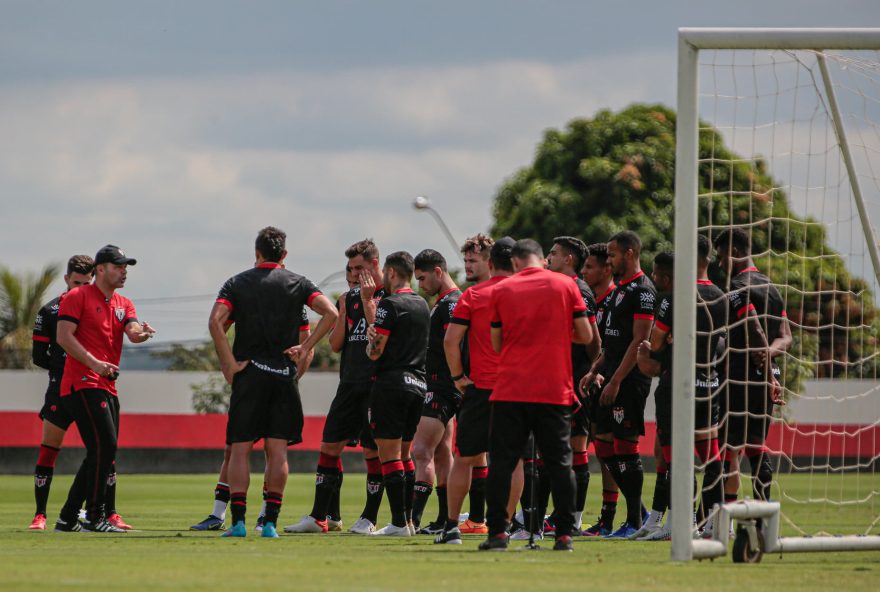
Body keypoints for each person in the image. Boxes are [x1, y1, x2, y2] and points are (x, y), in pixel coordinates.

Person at [211, 227, 337, 538]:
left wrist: (228, 362)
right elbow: (331, 312)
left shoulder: (237, 282)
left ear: (257, 254)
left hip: (249, 375)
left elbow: (215, 321)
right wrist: (305, 349)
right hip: (283, 375)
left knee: (240, 450)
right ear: (284, 255)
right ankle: (269, 523)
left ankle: (238, 523)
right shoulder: (298, 282)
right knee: (277, 451)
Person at [481, 238, 594, 552]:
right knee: (560, 463)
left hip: (511, 389)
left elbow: (497, 343)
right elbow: (585, 335)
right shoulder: (565, 286)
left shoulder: (502, 290)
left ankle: (498, 534)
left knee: (502, 464)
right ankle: (564, 536)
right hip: (553, 390)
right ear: (540, 260)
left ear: (516, 262)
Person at [285, 239, 387, 535]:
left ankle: (369, 518)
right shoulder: (349, 298)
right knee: (329, 446)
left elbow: (377, 338)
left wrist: (368, 301)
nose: (354, 274)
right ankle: (321, 516)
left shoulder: (387, 297)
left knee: (372, 452)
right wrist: (343, 308)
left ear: (375, 265)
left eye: (360, 268)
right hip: (349, 383)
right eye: (350, 269)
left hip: (374, 385)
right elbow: (336, 343)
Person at [54, 245, 155, 533]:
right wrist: (93, 362)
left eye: (126, 266)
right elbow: (63, 336)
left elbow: (132, 331)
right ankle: (95, 517)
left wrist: (142, 333)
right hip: (82, 383)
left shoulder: (124, 302)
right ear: (100, 269)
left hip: (107, 386)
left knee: (101, 451)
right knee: (104, 446)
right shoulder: (77, 296)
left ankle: (68, 517)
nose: (124, 271)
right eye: (118, 266)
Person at [635, 239, 728, 540]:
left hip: (677, 384)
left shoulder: (673, 297)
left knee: (675, 457)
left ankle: (682, 523)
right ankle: (713, 523)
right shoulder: (721, 296)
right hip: (709, 383)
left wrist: (660, 343)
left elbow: (657, 342)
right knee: (711, 457)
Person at [190, 310, 313, 532]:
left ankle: (265, 516)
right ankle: (217, 514)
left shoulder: (294, 299)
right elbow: (219, 329)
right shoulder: (248, 293)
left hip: (278, 387)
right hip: (250, 386)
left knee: (272, 449)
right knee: (233, 450)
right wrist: (228, 365)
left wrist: (293, 379)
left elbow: (308, 346)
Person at [434, 235, 514, 545]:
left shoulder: (473, 295)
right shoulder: (523, 293)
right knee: (511, 461)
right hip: (514, 389)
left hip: (479, 387)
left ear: (491, 262)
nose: (468, 265)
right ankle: (503, 529)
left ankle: (451, 526)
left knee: (464, 458)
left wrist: (457, 377)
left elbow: (450, 340)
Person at [580, 231, 656, 539]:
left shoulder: (643, 290)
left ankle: (634, 521)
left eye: (612, 255)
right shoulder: (616, 293)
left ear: (629, 253)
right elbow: (611, 341)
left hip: (629, 380)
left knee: (626, 446)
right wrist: (594, 369)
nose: (608, 261)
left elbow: (639, 340)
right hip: (610, 376)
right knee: (604, 442)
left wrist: (615, 381)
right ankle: (638, 514)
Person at [29, 255, 108, 530]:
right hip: (59, 390)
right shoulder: (49, 312)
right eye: (76, 283)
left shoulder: (97, 308)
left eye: (87, 283)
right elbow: (38, 356)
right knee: (49, 450)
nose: (80, 288)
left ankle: (103, 512)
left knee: (103, 448)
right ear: (66, 280)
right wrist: (65, 365)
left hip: (89, 387)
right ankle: (40, 514)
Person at [713, 228, 790, 507]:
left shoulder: (737, 286)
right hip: (765, 376)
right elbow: (786, 337)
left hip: (741, 375)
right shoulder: (771, 286)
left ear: (733, 252)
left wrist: (766, 368)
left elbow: (753, 327)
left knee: (728, 448)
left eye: (721, 258)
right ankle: (762, 517)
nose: (720, 264)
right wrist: (770, 360)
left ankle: (723, 517)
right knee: (757, 447)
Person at [532, 236, 599, 537]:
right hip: (559, 378)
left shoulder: (579, 290)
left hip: (576, 380)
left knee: (575, 449)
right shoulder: (558, 288)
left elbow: (593, 338)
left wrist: (592, 371)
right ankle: (553, 516)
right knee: (553, 452)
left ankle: (572, 518)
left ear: (569, 259)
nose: (549, 258)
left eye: (554, 253)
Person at [363, 251, 430, 536]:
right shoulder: (422, 304)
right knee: (405, 454)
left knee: (388, 455)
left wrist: (370, 341)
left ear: (391, 273)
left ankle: (399, 523)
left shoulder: (390, 304)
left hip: (391, 384)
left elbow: (377, 350)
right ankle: (411, 521)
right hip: (418, 385)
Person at [410, 249, 461, 534]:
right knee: (442, 453)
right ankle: (444, 519)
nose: (421, 285)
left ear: (438, 272)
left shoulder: (452, 303)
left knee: (421, 450)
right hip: (442, 383)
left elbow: (460, 344)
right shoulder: (443, 303)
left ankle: (411, 520)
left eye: (423, 278)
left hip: (444, 385)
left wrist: (459, 378)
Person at [580, 242, 620, 536]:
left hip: (611, 385)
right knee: (597, 446)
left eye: (590, 266)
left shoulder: (618, 299)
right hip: (590, 382)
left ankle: (612, 516)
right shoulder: (592, 300)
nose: (584, 272)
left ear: (607, 268)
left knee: (610, 449)